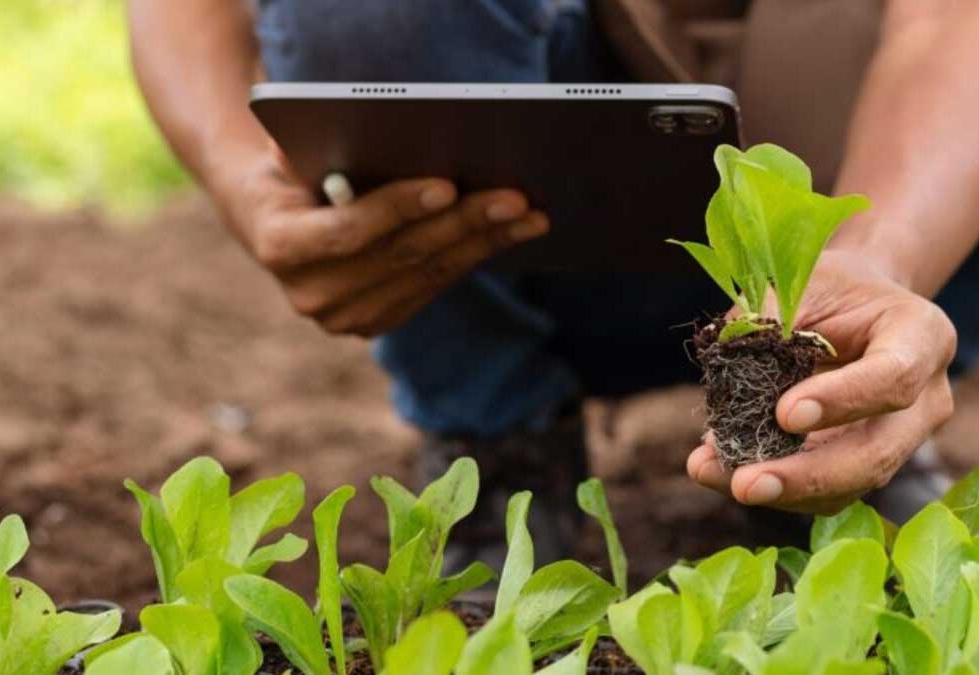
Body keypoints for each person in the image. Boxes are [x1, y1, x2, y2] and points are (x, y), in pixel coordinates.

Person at [126, 0, 979, 564]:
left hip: (878, 208)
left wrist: (881, 259)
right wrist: (247, 182)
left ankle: (836, 402)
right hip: (517, 246)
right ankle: (498, 439)